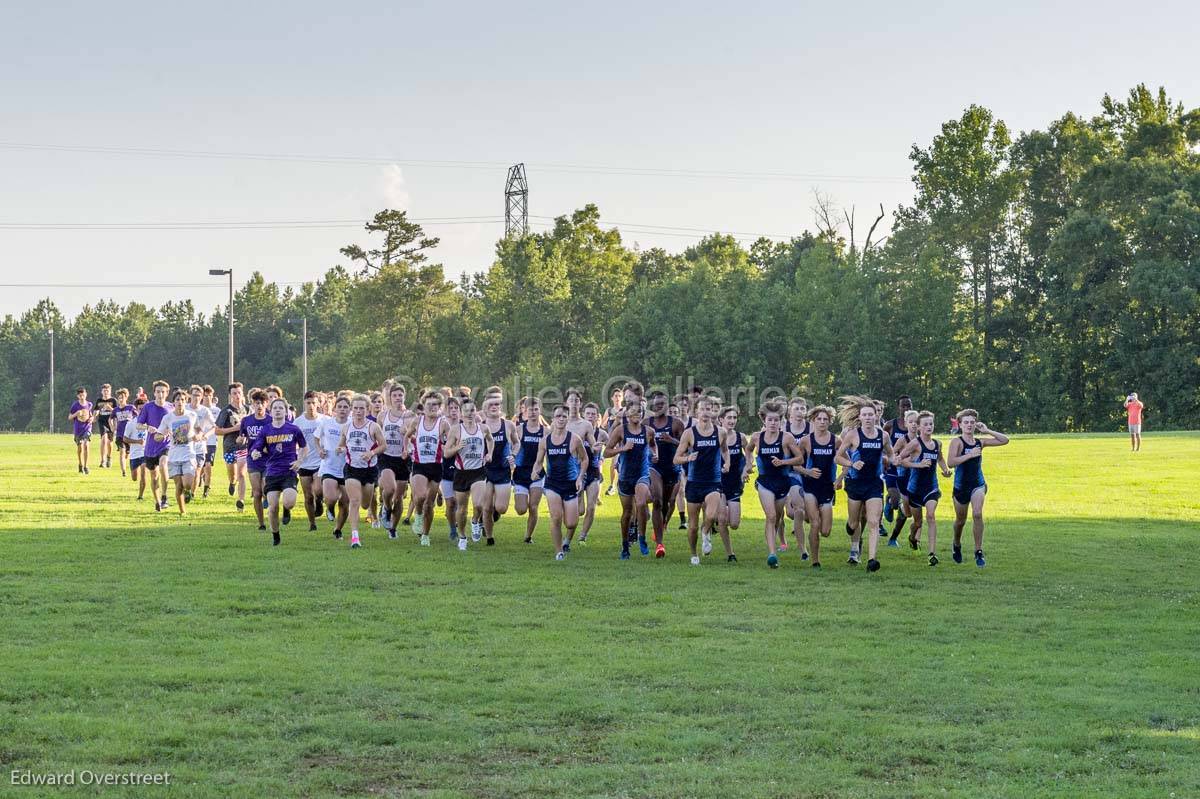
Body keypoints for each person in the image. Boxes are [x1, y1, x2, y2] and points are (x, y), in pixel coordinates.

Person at [834, 395, 895, 573]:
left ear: (876, 416)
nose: (868, 418)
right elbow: (838, 457)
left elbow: (890, 454)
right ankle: (852, 528)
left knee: (874, 521)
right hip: (855, 483)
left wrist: (891, 460)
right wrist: (852, 464)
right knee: (854, 523)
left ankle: (872, 559)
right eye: (865, 415)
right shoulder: (853, 435)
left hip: (874, 483)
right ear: (859, 417)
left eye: (871, 414)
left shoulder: (883, 435)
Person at [946, 409, 1009, 567]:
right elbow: (951, 462)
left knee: (977, 513)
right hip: (961, 487)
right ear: (960, 425)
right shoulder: (957, 442)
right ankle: (956, 544)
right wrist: (970, 455)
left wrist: (987, 430)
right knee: (960, 521)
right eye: (966, 422)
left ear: (975, 424)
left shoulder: (980, 442)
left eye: (972, 422)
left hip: (977, 484)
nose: (969, 425)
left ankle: (978, 551)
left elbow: (1004, 440)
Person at [673, 395, 731, 566]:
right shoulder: (689, 433)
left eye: (709, 409)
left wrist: (727, 462)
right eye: (703, 408)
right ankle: (693, 553)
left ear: (714, 412)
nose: (706, 412)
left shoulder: (720, 432)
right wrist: (688, 458)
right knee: (691, 526)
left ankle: (705, 531)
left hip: (713, 482)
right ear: (696, 411)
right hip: (694, 483)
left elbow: (725, 451)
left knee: (711, 515)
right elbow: (676, 459)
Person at [748, 399, 803, 568]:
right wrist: (748, 465)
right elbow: (748, 450)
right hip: (765, 483)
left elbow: (799, 458)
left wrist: (784, 463)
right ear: (764, 420)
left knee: (777, 519)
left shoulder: (786, 437)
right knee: (770, 516)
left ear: (781, 421)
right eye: (770, 420)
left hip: (783, 482)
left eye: (776, 420)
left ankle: (776, 546)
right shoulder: (757, 437)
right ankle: (772, 554)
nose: (773, 423)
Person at [530, 405, 588, 560]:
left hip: (570, 484)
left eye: (564, 416)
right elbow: (538, 462)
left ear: (567, 419)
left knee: (571, 523)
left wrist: (580, 477)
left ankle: (567, 539)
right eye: (558, 416)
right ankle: (559, 551)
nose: (561, 419)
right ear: (553, 419)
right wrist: (535, 471)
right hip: (552, 484)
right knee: (556, 517)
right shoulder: (545, 441)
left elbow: (585, 459)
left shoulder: (575, 439)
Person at [895, 411, 952, 566]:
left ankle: (932, 554)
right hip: (914, 489)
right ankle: (912, 537)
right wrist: (917, 465)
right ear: (919, 427)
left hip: (931, 487)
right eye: (925, 424)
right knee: (918, 523)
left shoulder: (937, 443)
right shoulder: (915, 444)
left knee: (931, 516)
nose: (929, 427)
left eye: (931, 424)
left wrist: (945, 470)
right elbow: (901, 461)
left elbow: (939, 458)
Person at [604, 398, 656, 560]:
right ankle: (625, 545)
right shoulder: (620, 430)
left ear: (642, 414)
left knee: (641, 503)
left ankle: (642, 538)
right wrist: (623, 448)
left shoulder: (648, 431)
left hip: (642, 473)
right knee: (627, 513)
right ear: (627, 414)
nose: (636, 415)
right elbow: (606, 452)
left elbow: (653, 444)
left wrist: (655, 454)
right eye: (633, 412)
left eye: (639, 412)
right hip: (625, 476)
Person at [249, 398, 306, 546]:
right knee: (273, 507)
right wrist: (255, 452)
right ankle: (276, 536)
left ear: (286, 411)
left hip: (289, 472)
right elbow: (257, 447)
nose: (278, 410)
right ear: (271, 411)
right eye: (275, 408)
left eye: (281, 408)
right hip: (272, 473)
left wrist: (299, 461)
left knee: (289, 502)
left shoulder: (293, 429)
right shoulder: (266, 430)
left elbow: (304, 447)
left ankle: (287, 510)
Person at [443, 398, 493, 551]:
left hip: (478, 471)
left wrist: (489, 453)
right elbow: (446, 453)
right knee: (462, 508)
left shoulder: (483, 428)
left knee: (478, 504)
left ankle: (475, 521)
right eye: (466, 411)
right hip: (461, 473)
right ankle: (462, 536)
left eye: (472, 410)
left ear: (475, 411)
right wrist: (457, 447)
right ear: (461, 413)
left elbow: (490, 440)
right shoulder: (456, 430)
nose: (470, 414)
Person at [337, 394, 386, 548]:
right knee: (354, 501)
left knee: (365, 504)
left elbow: (383, 445)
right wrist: (340, 449)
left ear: (367, 409)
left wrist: (371, 453)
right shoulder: (346, 427)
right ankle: (355, 536)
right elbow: (342, 445)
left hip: (369, 470)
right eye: (356, 408)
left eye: (362, 408)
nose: (358, 411)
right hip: (352, 469)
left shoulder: (373, 426)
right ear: (352, 409)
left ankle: (372, 512)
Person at [796, 404, 839, 568]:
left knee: (825, 531)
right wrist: (807, 472)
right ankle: (815, 561)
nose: (822, 422)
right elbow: (795, 465)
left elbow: (847, 460)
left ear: (829, 422)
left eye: (825, 419)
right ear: (813, 421)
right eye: (819, 419)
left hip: (827, 487)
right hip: (810, 487)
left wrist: (840, 478)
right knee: (815, 523)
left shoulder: (836, 440)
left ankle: (813, 515)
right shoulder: (806, 441)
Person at [647, 390, 684, 558]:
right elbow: (642, 444)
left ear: (667, 406)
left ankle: (661, 525)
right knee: (656, 501)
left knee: (668, 503)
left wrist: (672, 440)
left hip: (672, 467)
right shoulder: (646, 423)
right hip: (654, 466)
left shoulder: (676, 424)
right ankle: (659, 545)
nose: (658, 407)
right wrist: (651, 452)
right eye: (656, 404)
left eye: (662, 404)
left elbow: (686, 446)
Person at [407, 390, 448, 545]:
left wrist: (448, 448)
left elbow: (451, 440)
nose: (432, 407)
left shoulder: (443, 423)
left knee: (429, 504)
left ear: (440, 407)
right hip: (419, 465)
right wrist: (406, 449)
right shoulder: (417, 421)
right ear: (423, 405)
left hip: (436, 466)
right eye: (429, 404)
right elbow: (407, 435)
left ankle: (425, 534)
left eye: (436, 405)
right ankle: (417, 516)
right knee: (420, 497)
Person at [154, 389, 203, 515]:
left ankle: (188, 491)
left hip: (188, 454)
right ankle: (182, 512)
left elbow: (199, 429)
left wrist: (199, 435)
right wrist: (162, 436)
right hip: (174, 456)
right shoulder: (168, 418)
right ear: (173, 402)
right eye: (177, 400)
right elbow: (157, 436)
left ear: (186, 401)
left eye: (182, 400)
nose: (180, 402)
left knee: (187, 483)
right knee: (178, 485)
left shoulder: (191, 415)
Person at [480, 393, 518, 545]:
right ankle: (489, 537)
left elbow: (516, 443)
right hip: (485, 470)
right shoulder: (480, 426)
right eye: (491, 405)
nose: (494, 407)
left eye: (497, 405)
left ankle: (496, 513)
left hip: (502, 470)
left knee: (501, 508)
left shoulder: (508, 425)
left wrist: (513, 455)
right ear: (485, 409)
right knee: (486, 507)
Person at [377, 384, 412, 539]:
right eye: (395, 395)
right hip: (386, 457)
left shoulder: (409, 416)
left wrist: (408, 433)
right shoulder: (382, 416)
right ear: (390, 398)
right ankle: (385, 507)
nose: (398, 398)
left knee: (398, 498)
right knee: (389, 489)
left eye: (400, 395)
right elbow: (376, 435)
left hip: (403, 459)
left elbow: (416, 436)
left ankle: (393, 528)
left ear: (404, 397)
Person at [315, 395, 351, 539]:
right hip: (329, 465)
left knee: (345, 502)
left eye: (345, 407)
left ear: (350, 410)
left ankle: (338, 529)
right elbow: (316, 438)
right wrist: (319, 450)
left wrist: (345, 449)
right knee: (331, 497)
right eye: (340, 407)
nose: (342, 409)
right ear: (335, 408)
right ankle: (329, 507)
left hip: (348, 467)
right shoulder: (326, 423)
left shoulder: (352, 425)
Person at [512, 396, 546, 544]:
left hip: (537, 473)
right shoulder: (519, 430)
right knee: (521, 510)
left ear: (540, 411)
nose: (533, 412)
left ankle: (528, 536)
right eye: (530, 409)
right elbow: (511, 448)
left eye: (536, 409)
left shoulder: (546, 432)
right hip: (520, 473)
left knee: (533, 506)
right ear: (524, 411)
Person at [237, 389, 272, 530]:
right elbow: (242, 437)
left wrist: (267, 448)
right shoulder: (246, 420)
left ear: (266, 404)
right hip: (253, 459)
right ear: (252, 404)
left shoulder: (271, 420)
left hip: (269, 459)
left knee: (265, 489)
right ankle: (261, 523)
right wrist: (240, 439)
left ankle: (267, 501)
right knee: (256, 492)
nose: (259, 406)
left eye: (262, 403)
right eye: (256, 403)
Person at [716, 405, 746, 562]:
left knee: (734, 523)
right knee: (722, 519)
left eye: (734, 418)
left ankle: (711, 521)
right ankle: (730, 554)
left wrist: (746, 469)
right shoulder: (714, 436)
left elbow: (749, 455)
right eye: (729, 418)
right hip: (717, 482)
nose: (732, 421)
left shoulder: (741, 437)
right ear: (721, 420)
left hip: (734, 483)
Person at [293, 390, 327, 532]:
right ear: (304, 404)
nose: (311, 406)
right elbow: (293, 442)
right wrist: (296, 458)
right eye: (308, 403)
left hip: (320, 461)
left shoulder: (325, 420)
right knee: (307, 496)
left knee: (318, 490)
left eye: (314, 403)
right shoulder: (298, 422)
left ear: (318, 404)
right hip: (304, 462)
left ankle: (319, 500)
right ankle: (312, 523)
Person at [782, 397, 811, 557]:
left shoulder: (811, 428)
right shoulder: (783, 428)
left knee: (806, 514)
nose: (800, 412)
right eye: (796, 409)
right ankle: (803, 550)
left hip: (809, 473)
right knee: (798, 510)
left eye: (803, 408)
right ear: (790, 411)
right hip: (791, 473)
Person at [136, 381, 172, 510]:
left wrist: (170, 432)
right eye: (158, 392)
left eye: (163, 392)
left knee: (163, 465)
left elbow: (176, 424)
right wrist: (147, 427)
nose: (160, 394)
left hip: (166, 444)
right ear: (154, 393)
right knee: (154, 476)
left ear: (167, 393)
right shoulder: (148, 407)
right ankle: (157, 501)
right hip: (151, 447)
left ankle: (164, 496)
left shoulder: (171, 407)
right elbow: (138, 425)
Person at [577, 402, 607, 544]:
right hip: (579, 472)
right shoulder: (578, 431)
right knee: (580, 510)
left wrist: (603, 456)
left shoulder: (601, 434)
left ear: (597, 416)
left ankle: (583, 535)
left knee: (591, 507)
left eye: (593, 414)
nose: (590, 416)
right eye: (587, 413)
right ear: (583, 415)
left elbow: (613, 445)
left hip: (594, 473)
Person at [215, 383, 248, 512]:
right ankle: (232, 483)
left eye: (239, 392)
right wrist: (234, 428)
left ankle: (241, 500)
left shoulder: (247, 409)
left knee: (241, 474)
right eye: (234, 393)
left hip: (243, 447)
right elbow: (217, 431)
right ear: (230, 396)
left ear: (242, 393)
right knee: (233, 475)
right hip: (229, 446)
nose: (237, 395)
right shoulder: (226, 411)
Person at [882, 395, 913, 525]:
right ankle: (890, 501)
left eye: (908, 405)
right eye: (903, 406)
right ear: (898, 407)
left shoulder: (915, 426)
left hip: (908, 467)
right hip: (892, 466)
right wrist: (886, 458)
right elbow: (881, 444)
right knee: (895, 500)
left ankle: (895, 535)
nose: (906, 408)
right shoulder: (890, 425)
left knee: (907, 505)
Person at [187, 385, 216, 499]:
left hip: (200, 446)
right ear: (190, 395)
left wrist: (205, 436)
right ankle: (186, 489)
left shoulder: (205, 411)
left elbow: (214, 427)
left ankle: (192, 494)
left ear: (202, 396)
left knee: (197, 470)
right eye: (194, 395)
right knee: (187, 471)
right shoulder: (185, 408)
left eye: (199, 395)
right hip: (185, 446)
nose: (196, 398)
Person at [122, 397, 149, 500]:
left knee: (143, 472)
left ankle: (140, 496)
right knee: (134, 478)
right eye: (140, 409)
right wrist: (137, 441)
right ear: (136, 410)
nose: (142, 411)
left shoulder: (149, 423)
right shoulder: (131, 423)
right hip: (134, 454)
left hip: (145, 453)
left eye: (144, 409)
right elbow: (125, 438)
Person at [601, 387, 624, 496]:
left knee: (619, 463)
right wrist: (610, 419)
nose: (617, 398)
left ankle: (619, 484)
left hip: (622, 440)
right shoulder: (609, 410)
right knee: (613, 464)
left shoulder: (624, 410)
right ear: (612, 398)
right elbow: (602, 424)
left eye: (619, 396)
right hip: (612, 440)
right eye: (615, 396)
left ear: (622, 398)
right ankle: (612, 485)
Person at [69, 387, 93, 474]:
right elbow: (70, 417)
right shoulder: (75, 405)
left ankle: (86, 466)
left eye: (83, 394)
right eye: (80, 395)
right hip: (78, 429)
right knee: (80, 447)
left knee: (86, 445)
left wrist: (91, 418)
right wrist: (76, 414)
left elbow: (90, 415)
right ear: (77, 396)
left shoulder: (89, 404)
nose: (82, 396)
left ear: (86, 394)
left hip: (87, 427)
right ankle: (80, 464)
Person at [113, 387, 136, 477]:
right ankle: (124, 472)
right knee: (122, 451)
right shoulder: (115, 410)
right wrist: (112, 426)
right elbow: (110, 419)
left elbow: (138, 417)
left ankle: (127, 465)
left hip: (130, 435)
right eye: (119, 398)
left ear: (126, 398)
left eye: (123, 397)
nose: (121, 400)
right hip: (120, 435)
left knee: (127, 453)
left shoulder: (131, 408)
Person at [93, 383, 117, 468]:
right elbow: (96, 410)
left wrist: (110, 408)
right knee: (103, 439)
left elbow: (117, 411)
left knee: (109, 442)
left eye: (107, 391)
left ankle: (109, 458)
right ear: (101, 391)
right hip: (102, 421)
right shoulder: (99, 400)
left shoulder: (113, 400)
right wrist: (94, 415)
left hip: (110, 422)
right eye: (104, 391)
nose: (106, 392)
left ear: (110, 391)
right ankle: (102, 460)